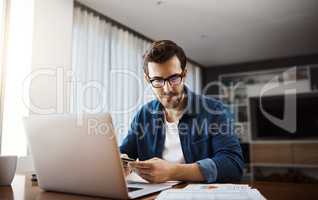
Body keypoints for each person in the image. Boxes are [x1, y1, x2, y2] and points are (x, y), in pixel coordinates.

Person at [120, 40, 244, 183]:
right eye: (158, 80)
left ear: (184, 75)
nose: (167, 89)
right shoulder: (144, 115)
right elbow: (124, 154)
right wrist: (120, 163)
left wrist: (172, 171)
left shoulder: (215, 111)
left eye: (173, 78)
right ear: (147, 79)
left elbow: (233, 165)